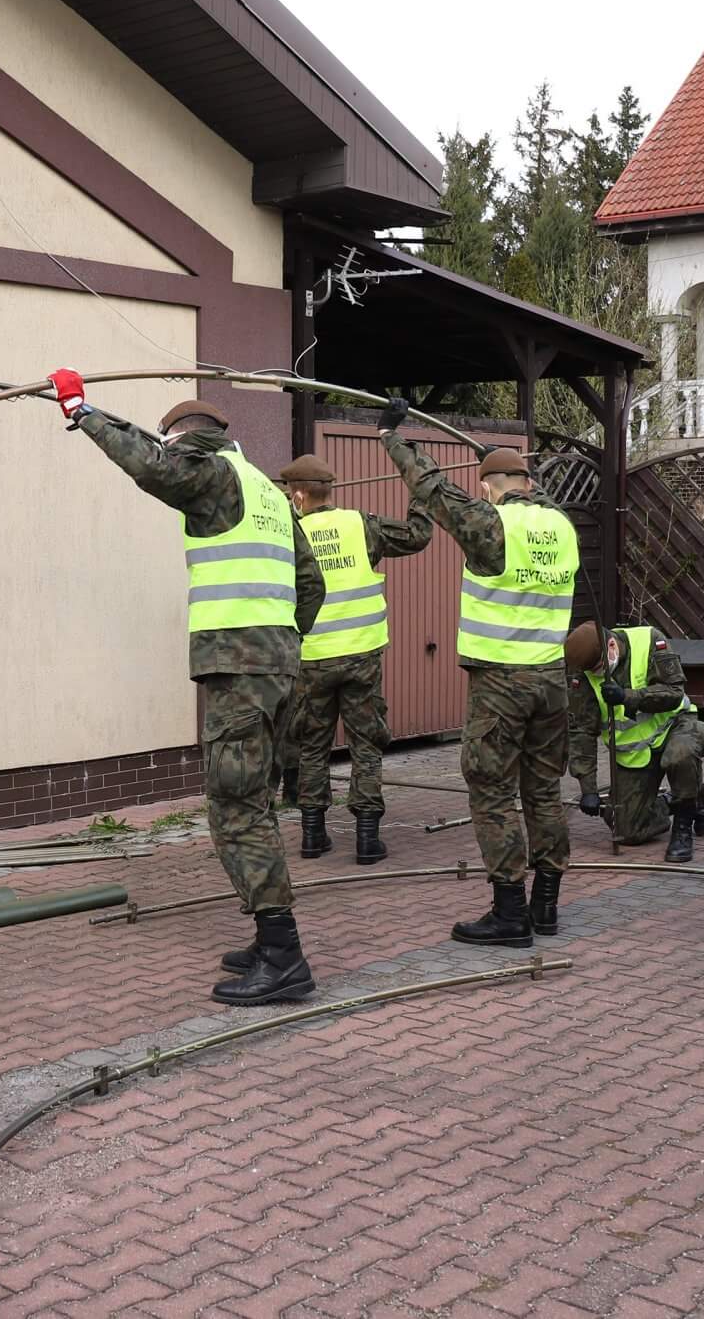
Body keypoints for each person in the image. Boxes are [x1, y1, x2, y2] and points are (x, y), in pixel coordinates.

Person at [50, 371, 327, 1005]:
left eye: (173, 445)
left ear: (188, 441)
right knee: (252, 796)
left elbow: (154, 468)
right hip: (275, 667)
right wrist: (281, 642)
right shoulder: (265, 490)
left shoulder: (209, 474)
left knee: (237, 806)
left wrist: (82, 412)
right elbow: (310, 585)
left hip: (240, 671)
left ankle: (284, 956)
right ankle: (269, 942)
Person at [379, 401, 577, 945]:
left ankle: (510, 912)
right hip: (551, 683)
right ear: (529, 482)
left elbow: (437, 492)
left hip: (501, 685)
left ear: (488, 487)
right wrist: (502, 463)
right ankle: (547, 906)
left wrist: (393, 437)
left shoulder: (492, 524)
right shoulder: (559, 524)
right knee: (543, 792)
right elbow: (530, 491)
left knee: (490, 790)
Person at [278, 453, 433, 865]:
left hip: (312, 660)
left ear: (297, 495)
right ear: (328, 491)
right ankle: (367, 839)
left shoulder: (287, 534)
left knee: (313, 745)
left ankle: (313, 836)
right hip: (362, 656)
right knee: (366, 745)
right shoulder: (360, 525)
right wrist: (420, 491)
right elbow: (418, 535)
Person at [565, 621, 704, 867]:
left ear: (612, 645)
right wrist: (588, 788)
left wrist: (628, 697)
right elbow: (581, 731)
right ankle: (680, 799)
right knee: (626, 831)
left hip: (675, 726)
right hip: (635, 755)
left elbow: (674, 691)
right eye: (589, 671)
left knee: (679, 756)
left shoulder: (649, 640)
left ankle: (683, 825)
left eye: (598, 668)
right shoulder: (581, 674)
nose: (594, 674)